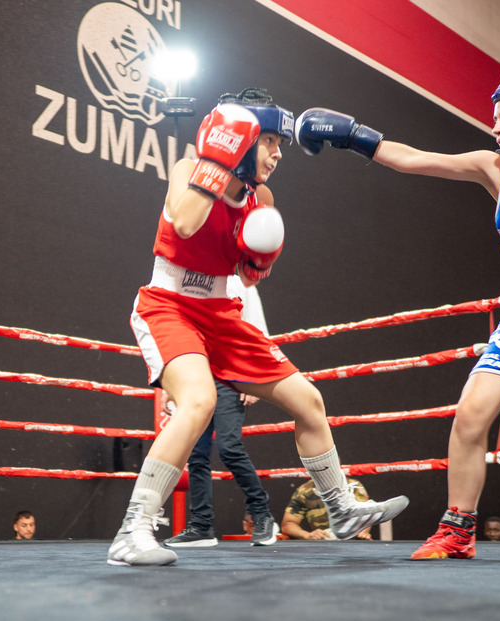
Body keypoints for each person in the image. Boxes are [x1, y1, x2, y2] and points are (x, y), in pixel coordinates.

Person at [294, 72, 500, 560]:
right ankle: (457, 531)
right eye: (495, 117)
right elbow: (414, 159)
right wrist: (353, 136)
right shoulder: (494, 168)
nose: (496, 127)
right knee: (472, 412)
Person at [107, 87, 409, 567]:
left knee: (308, 400)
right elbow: (184, 224)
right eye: (269, 141)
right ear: (241, 137)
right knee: (199, 401)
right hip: (170, 304)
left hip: (223, 312)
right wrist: (216, 162)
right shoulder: (189, 169)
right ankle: (133, 531)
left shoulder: (259, 198)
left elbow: (246, 277)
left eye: (280, 144)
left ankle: (341, 510)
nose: (277, 153)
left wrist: (260, 261)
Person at [165, 275, 281, 548]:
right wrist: (172, 386)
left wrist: (254, 378)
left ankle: (262, 515)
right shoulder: (188, 281)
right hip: (196, 376)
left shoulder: (238, 282)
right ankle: (201, 526)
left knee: (229, 447)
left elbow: (257, 329)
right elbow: (180, 335)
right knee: (197, 454)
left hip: (231, 375)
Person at [281, 479, 373, 540]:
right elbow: (288, 524)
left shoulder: (352, 485)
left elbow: (368, 512)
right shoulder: (304, 491)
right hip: (323, 543)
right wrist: (307, 535)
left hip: (353, 539)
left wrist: (363, 531)